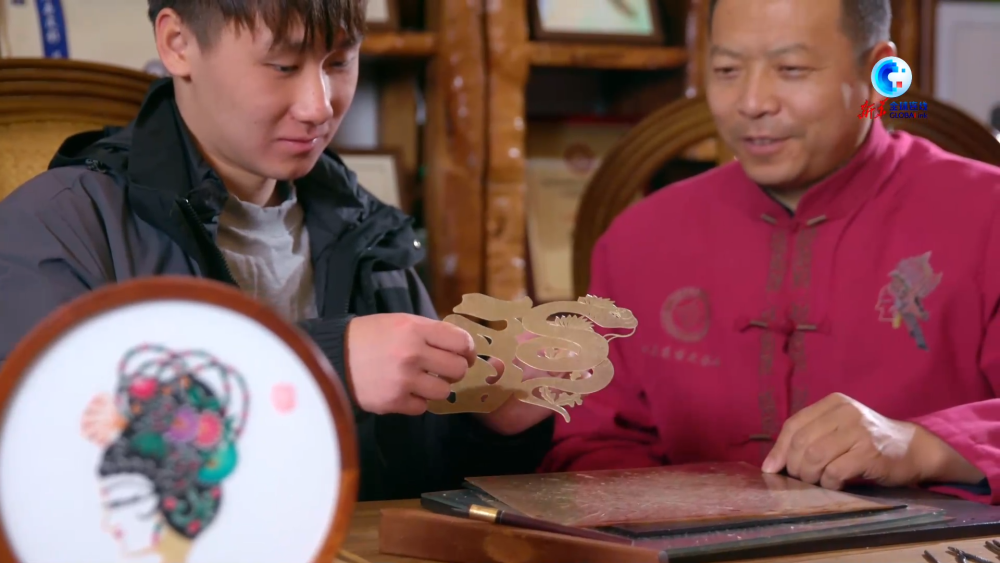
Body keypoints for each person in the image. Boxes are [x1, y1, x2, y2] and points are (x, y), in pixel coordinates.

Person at [0, 0, 553, 501]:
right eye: (283, 66)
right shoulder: (61, 224)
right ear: (178, 43)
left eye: (340, 62)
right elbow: (56, 461)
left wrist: (491, 428)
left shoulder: (370, 231)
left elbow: (415, 487)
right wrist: (321, 365)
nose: (318, 105)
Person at [540, 0, 1000, 504]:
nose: (752, 101)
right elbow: (595, 445)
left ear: (878, 75)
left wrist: (921, 445)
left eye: (791, 69)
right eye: (727, 70)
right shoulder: (639, 237)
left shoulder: (986, 214)